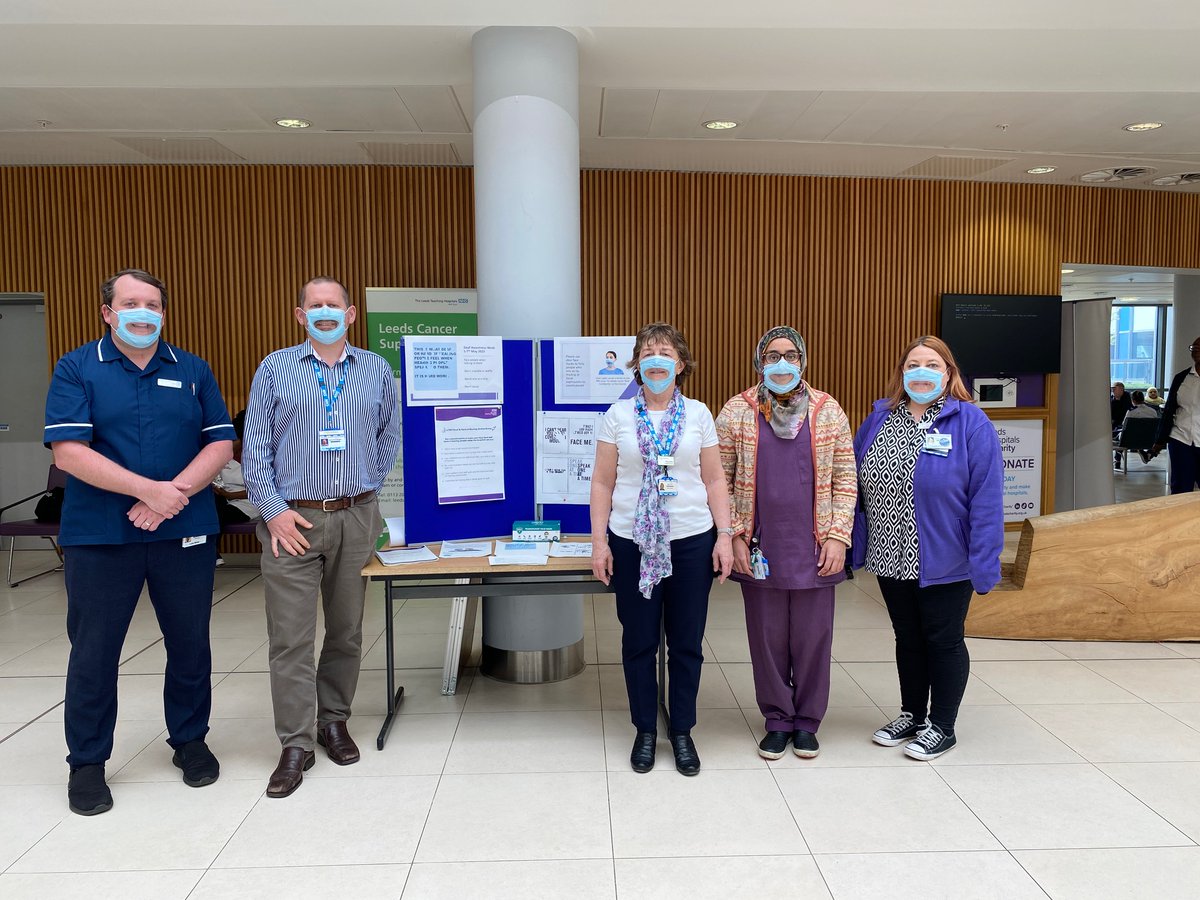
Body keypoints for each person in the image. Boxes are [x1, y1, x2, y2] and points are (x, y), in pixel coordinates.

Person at [43, 269, 235, 816]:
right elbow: (69, 453)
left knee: (190, 642)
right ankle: (86, 763)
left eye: (152, 303)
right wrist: (148, 491)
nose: (143, 312)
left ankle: (190, 741)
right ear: (108, 312)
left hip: (184, 529)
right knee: (95, 651)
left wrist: (172, 495)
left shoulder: (192, 369)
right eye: (131, 303)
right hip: (101, 535)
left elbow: (220, 442)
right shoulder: (78, 367)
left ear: (164, 314)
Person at [242, 276, 400, 798]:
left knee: (347, 630)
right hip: (292, 521)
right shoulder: (275, 368)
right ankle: (295, 743)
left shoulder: (377, 370)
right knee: (290, 637)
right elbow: (255, 448)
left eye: (335, 305)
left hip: (355, 517)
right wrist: (273, 512)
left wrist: (364, 489)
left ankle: (334, 720)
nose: (326, 312)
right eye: (316, 305)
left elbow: (387, 436)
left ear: (352, 315)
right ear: (299, 314)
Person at [590, 322, 733, 776]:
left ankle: (683, 730)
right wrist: (599, 543)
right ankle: (646, 730)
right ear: (637, 364)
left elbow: (714, 479)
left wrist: (725, 535)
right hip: (632, 541)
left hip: (691, 539)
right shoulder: (618, 416)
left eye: (665, 352)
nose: (656, 359)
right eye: (647, 352)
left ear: (681, 364)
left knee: (686, 642)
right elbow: (602, 481)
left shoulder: (698, 415)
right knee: (639, 641)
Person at [852, 336, 1003, 761]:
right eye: (914, 364)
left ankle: (943, 725)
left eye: (932, 365)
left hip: (946, 557)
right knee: (907, 637)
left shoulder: (970, 421)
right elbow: (855, 481)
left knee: (943, 639)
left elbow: (987, 498)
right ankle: (912, 714)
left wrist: (985, 561)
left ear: (949, 374)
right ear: (902, 373)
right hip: (889, 551)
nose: (922, 372)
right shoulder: (880, 417)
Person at [716, 326, 855, 761]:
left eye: (791, 355)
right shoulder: (736, 411)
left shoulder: (828, 410)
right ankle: (777, 719)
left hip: (815, 544)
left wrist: (838, 536)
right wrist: (735, 534)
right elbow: (718, 478)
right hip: (759, 546)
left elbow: (845, 478)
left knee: (814, 637)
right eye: (772, 355)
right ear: (759, 361)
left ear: (803, 361)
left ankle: (808, 722)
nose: (782, 363)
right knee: (767, 637)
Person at [1151, 337, 1200, 493]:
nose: (1196, 350)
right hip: (1181, 439)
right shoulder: (1181, 378)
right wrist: (1159, 440)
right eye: (1194, 347)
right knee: (1180, 488)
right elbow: (1169, 411)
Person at [1117, 390, 1159, 465]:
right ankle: (1148, 454)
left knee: (1120, 435)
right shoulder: (1153, 411)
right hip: (1149, 440)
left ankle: (1117, 460)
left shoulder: (1131, 412)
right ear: (1143, 399)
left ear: (1132, 400)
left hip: (1130, 441)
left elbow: (1125, 426)